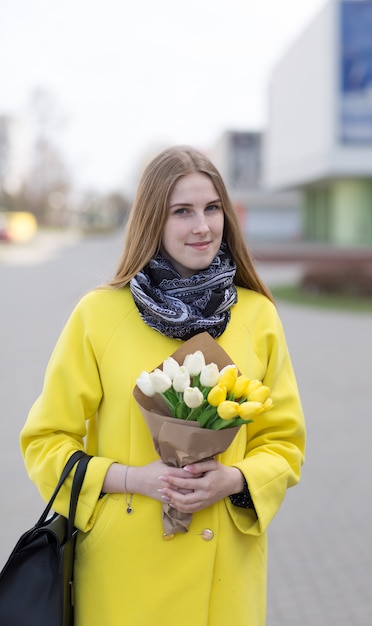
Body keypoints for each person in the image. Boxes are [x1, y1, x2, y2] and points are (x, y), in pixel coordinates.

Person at [20, 145, 306, 626]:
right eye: (183, 211)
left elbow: (284, 444)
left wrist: (233, 481)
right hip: (123, 576)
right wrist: (136, 479)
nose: (203, 226)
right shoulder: (99, 315)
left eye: (212, 208)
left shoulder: (258, 316)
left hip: (226, 582)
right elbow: (45, 443)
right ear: (153, 219)